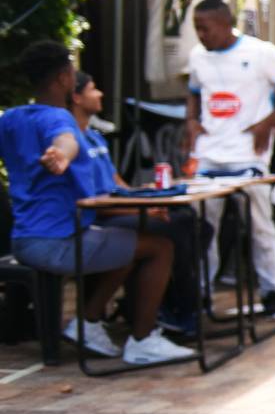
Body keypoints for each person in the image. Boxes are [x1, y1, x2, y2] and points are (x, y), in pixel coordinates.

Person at [1, 44, 195, 365]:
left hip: (24, 238)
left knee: (128, 241)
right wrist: (61, 154)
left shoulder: (12, 118)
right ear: (65, 78)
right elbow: (66, 139)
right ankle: (143, 340)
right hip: (57, 244)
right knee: (160, 247)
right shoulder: (58, 118)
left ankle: (88, 322)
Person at [184, 0, 275, 319]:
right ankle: (200, 296)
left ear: (225, 25)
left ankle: (273, 292)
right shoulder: (198, 56)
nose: (200, 35)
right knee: (202, 229)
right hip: (209, 156)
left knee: (260, 227)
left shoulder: (261, 53)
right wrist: (191, 121)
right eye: (196, 28)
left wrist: (268, 122)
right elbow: (194, 92)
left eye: (204, 28)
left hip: (247, 156)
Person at [70, 72, 201, 338]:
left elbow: (119, 186)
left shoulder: (95, 137)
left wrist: (146, 199)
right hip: (98, 218)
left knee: (188, 220)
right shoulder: (71, 143)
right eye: (94, 89)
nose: (100, 94)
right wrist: (140, 209)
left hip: (117, 209)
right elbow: (91, 201)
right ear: (76, 97)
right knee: (172, 230)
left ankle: (175, 305)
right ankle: (169, 313)